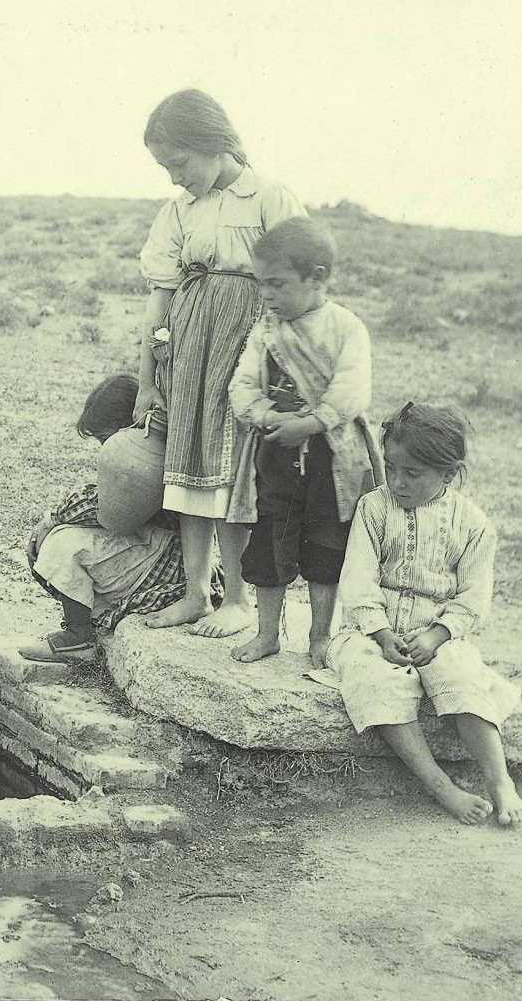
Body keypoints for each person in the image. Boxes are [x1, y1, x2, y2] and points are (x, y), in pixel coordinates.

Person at [133, 89, 307, 638]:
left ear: (213, 146)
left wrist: (283, 370)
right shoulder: (179, 210)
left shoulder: (269, 198)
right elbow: (160, 297)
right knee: (190, 463)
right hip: (189, 350)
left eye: (179, 164)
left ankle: (236, 598)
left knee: (234, 472)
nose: (174, 178)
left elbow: (300, 290)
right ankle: (195, 593)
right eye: (164, 168)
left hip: (248, 349)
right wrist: (147, 378)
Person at [326, 403, 522, 827]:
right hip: (370, 634)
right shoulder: (374, 509)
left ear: (449, 474)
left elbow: (474, 598)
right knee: (372, 678)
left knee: (462, 675)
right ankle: (442, 787)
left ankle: (499, 781)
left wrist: (439, 634)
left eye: (413, 474)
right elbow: (359, 581)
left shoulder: (473, 525)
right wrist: (381, 634)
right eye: (392, 468)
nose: (397, 482)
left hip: (439, 635)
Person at [226, 218, 376, 668]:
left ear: (317, 278)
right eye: (261, 284)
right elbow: (242, 386)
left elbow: (351, 391)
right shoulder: (266, 330)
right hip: (274, 453)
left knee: (325, 546)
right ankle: (267, 634)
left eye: (277, 284)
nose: (267, 295)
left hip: (332, 459)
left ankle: (319, 638)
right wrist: (268, 416)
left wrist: (310, 424)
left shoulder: (346, 328)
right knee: (270, 538)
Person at [18, 374, 223, 664]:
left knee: (64, 544)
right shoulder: (149, 446)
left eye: (105, 437)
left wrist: (51, 519)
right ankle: (83, 627)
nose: (104, 447)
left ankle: (79, 639)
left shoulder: (151, 454)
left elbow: (103, 507)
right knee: (64, 537)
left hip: (170, 563)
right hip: (154, 549)